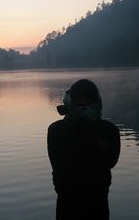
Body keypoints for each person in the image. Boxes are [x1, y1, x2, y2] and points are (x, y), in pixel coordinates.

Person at [48, 79, 120, 220]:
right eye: (79, 103)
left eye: (87, 102)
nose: (83, 106)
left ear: (96, 102)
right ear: (70, 102)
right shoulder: (56, 130)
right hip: (67, 201)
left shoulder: (109, 130)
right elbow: (57, 164)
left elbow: (111, 161)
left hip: (98, 201)